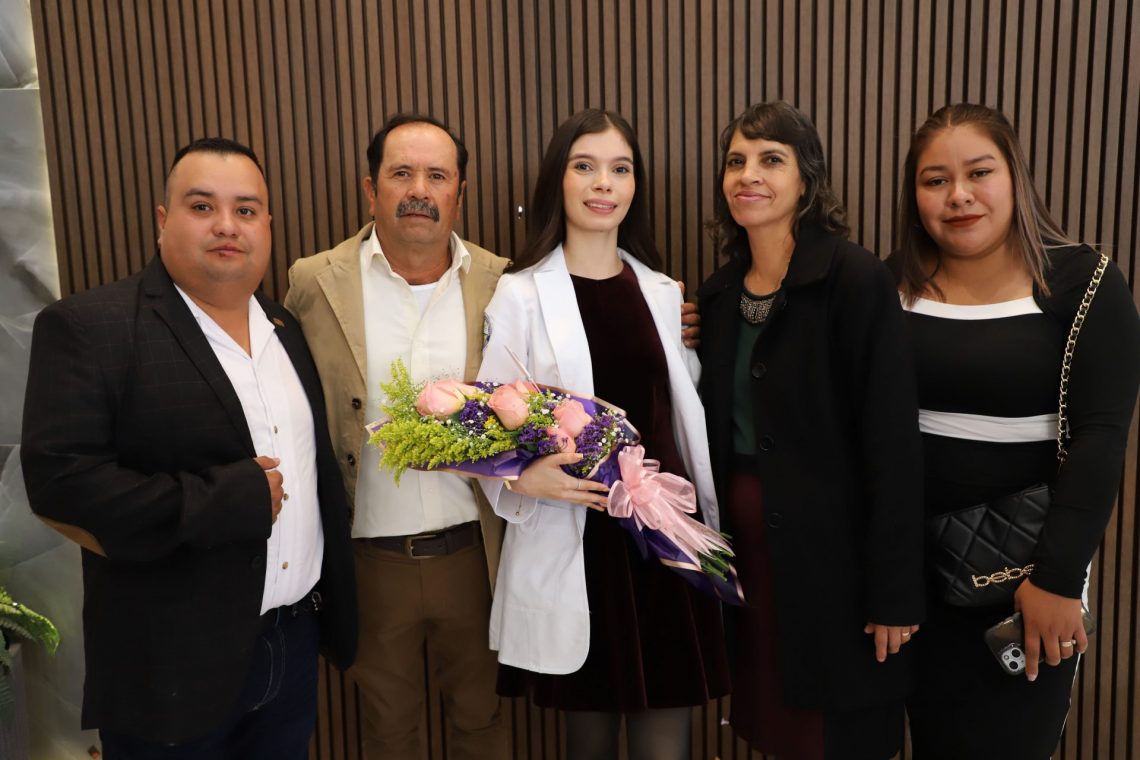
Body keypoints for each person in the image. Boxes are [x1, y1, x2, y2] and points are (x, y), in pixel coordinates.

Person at [20, 138, 357, 758]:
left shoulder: (286, 328)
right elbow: (60, 486)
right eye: (202, 206)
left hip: (293, 643)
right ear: (163, 219)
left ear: (268, 225)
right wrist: (225, 500)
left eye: (246, 210)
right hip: (170, 665)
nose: (227, 225)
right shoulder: (91, 326)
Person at [477, 108, 730, 760]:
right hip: (580, 541)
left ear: (635, 185)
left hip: (663, 538)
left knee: (666, 742)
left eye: (620, 169)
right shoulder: (520, 295)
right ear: (557, 181)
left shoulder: (662, 292)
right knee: (588, 741)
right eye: (584, 166)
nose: (603, 184)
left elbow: (682, 411)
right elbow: (489, 424)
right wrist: (522, 478)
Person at [893, 103, 1140, 759]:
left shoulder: (1085, 281)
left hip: (1024, 581)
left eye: (979, 172)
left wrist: (1057, 581)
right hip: (905, 581)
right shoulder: (888, 286)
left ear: (1014, 177)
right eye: (935, 180)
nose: (959, 195)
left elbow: (1101, 440)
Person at [696, 101, 924, 760]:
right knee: (774, 728)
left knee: (837, 735)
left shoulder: (855, 280)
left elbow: (892, 446)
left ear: (807, 180)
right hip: (747, 561)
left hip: (838, 567)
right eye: (736, 161)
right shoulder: (717, 297)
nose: (748, 174)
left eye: (771, 159)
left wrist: (894, 593)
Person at [284, 114, 512, 759]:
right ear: (371, 189)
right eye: (401, 173)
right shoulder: (314, 282)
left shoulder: (502, 281)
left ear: (459, 193)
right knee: (387, 734)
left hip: (477, 556)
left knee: (483, 723)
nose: (419, 190)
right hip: (369, 561)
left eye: (437, 176)